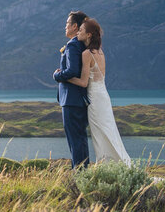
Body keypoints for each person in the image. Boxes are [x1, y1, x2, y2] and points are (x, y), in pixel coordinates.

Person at [68, 18, 132, 165]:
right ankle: (116, 165)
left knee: (99, 134)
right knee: (109, 132)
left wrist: (65, 78)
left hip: (95, 99)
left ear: (89, 35)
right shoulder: (100, 52)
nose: (78, 32)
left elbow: (83, 83)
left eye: (81, 30)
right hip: (103, 96)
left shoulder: (86, 54)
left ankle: (106, 165)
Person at [53, 10, 90, 168]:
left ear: (75, 26)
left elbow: (73, 70)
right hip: (77, 100)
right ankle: (84, 173)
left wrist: (57, 75)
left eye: (67, 24)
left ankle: (80, 174)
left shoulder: (73, 45)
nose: (65, 27)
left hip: (71, 99)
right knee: (80, 139)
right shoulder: (81, 44)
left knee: (75, 140)